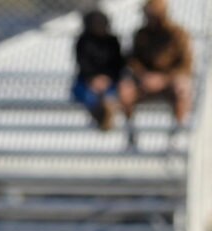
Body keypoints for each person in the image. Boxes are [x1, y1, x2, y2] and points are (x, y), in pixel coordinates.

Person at [118, 0, 192, 147]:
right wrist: (143, 76)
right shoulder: (141, 34)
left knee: (182, 88)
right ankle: (131, 135)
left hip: (169, 82)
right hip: (144, 82)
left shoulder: (178, 34)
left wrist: (163, 79)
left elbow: (186, 65)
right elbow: (132, 60)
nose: (148, 17)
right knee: (125, 89)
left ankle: (176, 138)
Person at [72, 9, 124, 131]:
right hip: (87, 81)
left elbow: (117, 63)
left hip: (109, 81)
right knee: (88, 96)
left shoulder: (112, 41)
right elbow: (83, 63)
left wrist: (107, 78)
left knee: (111, 95)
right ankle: (100, 119)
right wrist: (92, 79)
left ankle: (106, 118)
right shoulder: (83, 41)